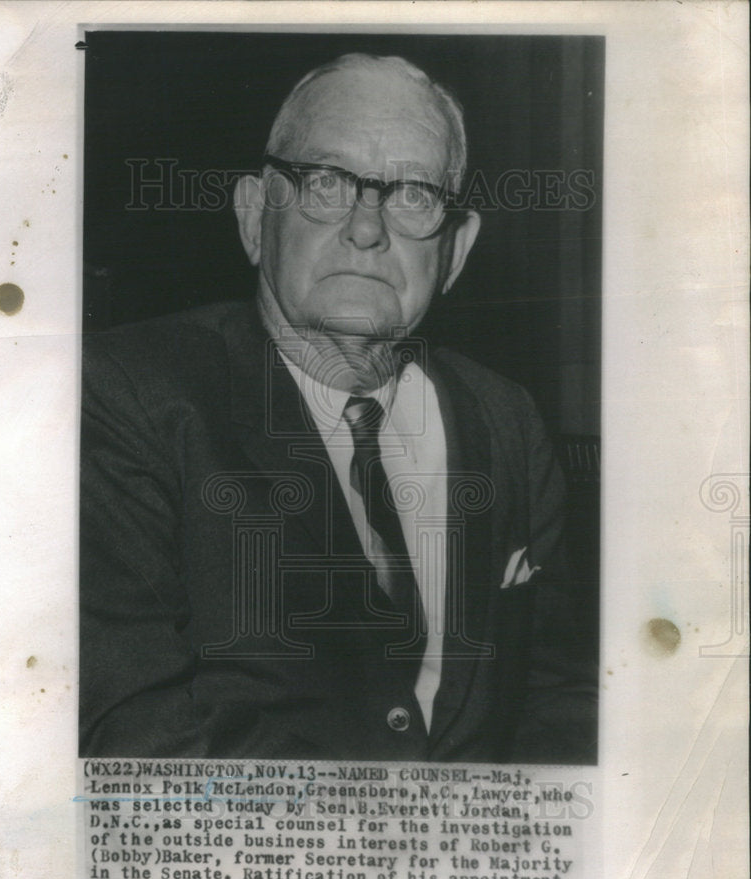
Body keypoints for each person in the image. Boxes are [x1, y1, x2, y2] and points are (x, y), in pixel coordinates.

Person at [80, 53, 597, 762]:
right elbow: (132, 735)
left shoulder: (508, 420)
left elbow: (562, 696)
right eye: (325, 182)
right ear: (256, 215)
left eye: (414, 194)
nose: (366, 229)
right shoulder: (127, 397)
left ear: (456, 250)